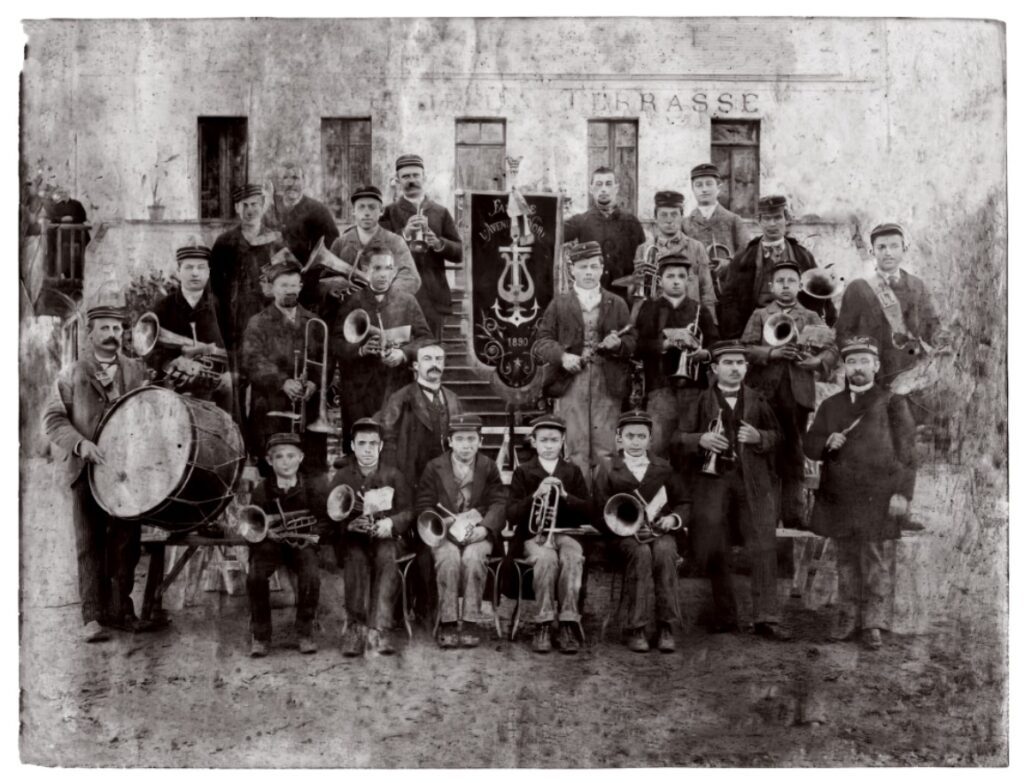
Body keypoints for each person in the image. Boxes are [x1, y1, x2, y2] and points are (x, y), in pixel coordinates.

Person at [42, 298, 148, 642]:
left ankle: (120, 610)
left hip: (124, 474)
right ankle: (91, 617)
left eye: (117, 329)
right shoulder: (70, 374)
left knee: (126, 543)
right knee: (89, 543)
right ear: (89, 333)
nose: (112, 335)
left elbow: (146, 412)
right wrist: (80, 443)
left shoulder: (135, 370)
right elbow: (53, 419)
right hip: (85, 471)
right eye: (104, 328)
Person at [804, 336, 917, 650]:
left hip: (878, 496)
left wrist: (903, 494)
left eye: (864, 361)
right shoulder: (831, 405)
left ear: (876, 365)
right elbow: (810, 446)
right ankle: (847, 618)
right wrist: (827, 442)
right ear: (844, 367)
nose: (857, 367)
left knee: (874, 559)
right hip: (840, 494)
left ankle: (872, 624)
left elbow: (908, 454)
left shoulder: (893, 402)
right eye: (851, 361)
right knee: (845, 560)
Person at [677, 341, 787, 640]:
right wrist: (700, 439)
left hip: (752, 482)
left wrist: (759, 436)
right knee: (716, 545)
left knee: (763, 544)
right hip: (712, 483)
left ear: (747, 368)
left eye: (740, 363)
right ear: (714, 368)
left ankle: (767, 617)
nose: (735, 368)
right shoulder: (700, 400)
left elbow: (780, 437)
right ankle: (726, 615)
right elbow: (678, 438)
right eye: (728, 363)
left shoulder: (760, 400)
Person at [740, 260, 839, 528]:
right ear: (771, 286)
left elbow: (832, 349)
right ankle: (765, 516)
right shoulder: (760, 315)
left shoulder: (810, 316)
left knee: (793, 453)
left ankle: (794, 515)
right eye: (780, 281)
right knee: (764, 452)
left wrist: (816, 363)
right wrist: (772, 353)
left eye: (791, 281)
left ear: (799, 286)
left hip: (796, 395)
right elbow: (745, 349)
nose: (786, 286)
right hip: (764, 394)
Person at [535, 241, 636, 486]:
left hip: (607, 383)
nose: (589, 272)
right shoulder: (560, 303)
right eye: (582, 267)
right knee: (575, 447)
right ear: (572, 270)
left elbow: (632, 340)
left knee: (605, 449)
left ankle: (602, 509)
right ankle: (577, 506)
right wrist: (562, 356)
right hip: (570, 383)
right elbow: (541, 341)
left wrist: (619, 345)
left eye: (593, 266)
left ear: (602, 268)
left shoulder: (617, 303)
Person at [377, 342, 464, 618]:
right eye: (427, 358)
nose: (434, 363)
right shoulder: (401, 398)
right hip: (407, 483)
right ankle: (401, 614)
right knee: (409, 544)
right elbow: (387, 441)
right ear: (415, 366)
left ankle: (431, 613)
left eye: (439, 358)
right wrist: (394, 484)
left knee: (435, 543)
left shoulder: (452, 398)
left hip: (440, 487)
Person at [593, 410, 690, 653]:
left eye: (641, 436)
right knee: (641, 554)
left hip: (659, 531)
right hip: (623, 538)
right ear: (619, 439)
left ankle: (667, 626)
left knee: (666, 551)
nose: (635, 441)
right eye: (629, 436)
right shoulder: (607, 469)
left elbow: (684, 502)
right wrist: (622, 528)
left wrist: (673, 519)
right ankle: (635, 627)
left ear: (650, 440)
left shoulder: (664, 468)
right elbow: (597, 509)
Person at [415, 414, 507, 649]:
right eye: (460, 439)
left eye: (471, 439)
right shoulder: (434, 467)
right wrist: (442, 522)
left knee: (474, 558)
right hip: (445, 535)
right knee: (449, 559)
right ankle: (447, 621)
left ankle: (470, 621)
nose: (466, 444)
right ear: (450, 441)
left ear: (480, 440)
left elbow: (499, 502)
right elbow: (423, 504)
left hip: (477, 533)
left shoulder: (488, 466)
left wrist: (485, 529)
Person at [505, 414, 592, 654]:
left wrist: (565, 496)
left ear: (563, 440)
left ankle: (567, 622)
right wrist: (535, 495)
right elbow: (511, 514)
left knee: (573, 557)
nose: (549, 445)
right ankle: (543, 623)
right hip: (534, 536)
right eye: (543, 440)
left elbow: (588, 511)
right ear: (533, 442)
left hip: (566, 534)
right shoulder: (523, 472)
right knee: (546, 559)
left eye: (554, 440)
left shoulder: (572, 472)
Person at [332, 242, 431, 449]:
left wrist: (403, 354)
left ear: (394, 270)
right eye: (377, 268)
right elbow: (335, 344)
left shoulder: (408, 301)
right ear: (366, 270)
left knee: (396, 448)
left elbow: (426, 340)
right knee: (358, 449)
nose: (383, 274)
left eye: (388, 268)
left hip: (396, 386)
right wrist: (360, 350)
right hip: (359, 393)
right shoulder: (351, 302)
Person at [327, 418, 413, 657]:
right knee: (355, 559)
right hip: (355, 540)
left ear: (381, 447)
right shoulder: (342, 476)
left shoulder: (394, 475)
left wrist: (391, 523)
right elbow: (332, 516)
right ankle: (356, 627)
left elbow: (408, 511)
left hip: (386, 538)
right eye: (362, 443)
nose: (367, 449)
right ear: (352, 446)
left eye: (373, 444)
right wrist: (348, 525)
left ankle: (381, 628)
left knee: (387, 558)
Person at [240, 259, 326, 474]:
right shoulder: (258, 322)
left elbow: (325, 360)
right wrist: (282, 382)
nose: (289, 290)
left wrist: (314, 384)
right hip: (271, 406)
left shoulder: (314, 322)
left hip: (308, 409)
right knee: (271, 470)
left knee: (311, 470)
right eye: (283, 285)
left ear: (301, 286)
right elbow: (252, 360)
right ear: (272, 288)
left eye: (293, 285)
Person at [246, 432, 326, 657]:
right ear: (270, 461)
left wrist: (314, 533)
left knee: (311, 575)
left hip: (301, 543)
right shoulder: (262, 490)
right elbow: (251, 526)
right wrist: (266, 535)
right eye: (279, 457)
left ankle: (305, 631)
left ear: (301, 457)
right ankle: (260, 636)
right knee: (255, 576)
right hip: (270, 544)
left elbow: (323, 521)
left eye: (291, 456)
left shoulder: (311, 488)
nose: (286, 462)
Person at [633, 251, 719, 460]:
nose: (676, 282)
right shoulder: (649, 308)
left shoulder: (700, 311)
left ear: (689, 280)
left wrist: (704, 353)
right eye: (670, 276)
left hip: (693, 389)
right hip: (660, 388)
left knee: (689, 447)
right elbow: (638, 346)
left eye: (681, 276)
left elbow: (716, 344)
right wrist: (665, 343)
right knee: (658, 446)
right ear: (660, 281)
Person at [835, 223, 941, 389]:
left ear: (904, 250)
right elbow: (843, 334)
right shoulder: (857, 288)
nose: (888, 252)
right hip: (871, 374)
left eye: (894, 246)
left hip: (910, 371)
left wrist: (942, 339)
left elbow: (931, 327)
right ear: (872, 252)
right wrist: (859, 363)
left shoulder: (916, 285)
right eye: (881, 247)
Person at [718, 195, 836, 339]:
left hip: (797, 329)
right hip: (756, 329)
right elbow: (730, 302)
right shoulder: (743, 258)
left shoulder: (803, 256)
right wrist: (736, 339)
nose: (772, 224)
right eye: (766, 219)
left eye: (777, 217)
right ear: (759, 221)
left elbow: (819, 298)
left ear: (786, 219)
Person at [379, 155, 462, 338]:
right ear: (398, 180)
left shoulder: (440, 212)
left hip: (433, 297)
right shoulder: (388, 212)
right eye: (406, 176)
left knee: (431, 353)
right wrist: (405, 234)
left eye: (416, 175)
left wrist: (438, 243)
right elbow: (378, 252)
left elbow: (459, 253)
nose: (412, 180)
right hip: (398, 296)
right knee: (399, 352)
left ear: (424, 177)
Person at [145, 244, 231, 408]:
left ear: (208, 272)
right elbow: (149, 352)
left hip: (216, 388)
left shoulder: (224, 308)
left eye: (201, 267)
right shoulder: (162, 307)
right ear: (178, 271)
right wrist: (172, 363)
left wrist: (224, 372)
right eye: (189, 267)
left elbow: (236, 348)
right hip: (173, 386)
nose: (195, 273)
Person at [209, 183, 283, 354]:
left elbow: (287, 282)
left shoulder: (275, 241)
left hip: (265, 316)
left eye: (254, 204)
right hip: (232, 320)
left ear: (262, 205)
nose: (250, 210)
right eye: (245, 205)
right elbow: (214, 288)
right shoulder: (224, 243)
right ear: (237, 208)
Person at [564, 166, 646, 301]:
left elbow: (642, 260)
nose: (603, 189)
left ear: (616, 188)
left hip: (624, 299)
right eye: (598, 184)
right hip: (591, 298)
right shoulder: (581, 221)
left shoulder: (632, 223)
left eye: (608, 184)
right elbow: (552, 234)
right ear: (591, 189)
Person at [329, 184, 420, 304]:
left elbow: (410, 278)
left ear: (381, 211)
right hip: (346, 310)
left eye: (372, 207)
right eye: (361, 207)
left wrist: (385, 295)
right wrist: (334, 284)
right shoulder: (340, 243)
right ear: (353, 212)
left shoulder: (395, 242)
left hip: (384, 309)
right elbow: (325, 278)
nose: (366, 213)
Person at [634, 190, 717, 319]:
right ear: (655, 218)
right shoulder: (643, 250)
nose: (669, 220)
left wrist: (711, 325)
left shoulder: (696, 248)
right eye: (663, 215)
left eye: (674, 215)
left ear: (681, 217)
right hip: (655, 320)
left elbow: (707, 292)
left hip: (689, 319)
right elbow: (637, 295)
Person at [682, 163, 752, 288]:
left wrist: (729, 264)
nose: (704, 189)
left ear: (718, 187)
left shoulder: (734, 220)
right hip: (695, 290)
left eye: (709, 184)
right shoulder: (685, 224)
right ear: (693, 189)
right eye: (698, 185)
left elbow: (748, 255)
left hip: (727, 289)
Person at [264, 160, 340, 267]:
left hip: (309, 276)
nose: (291, 184)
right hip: (276, 276)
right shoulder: (271, 211)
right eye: (285, 178)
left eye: (295, 178)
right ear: (279, 183)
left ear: (304, 181)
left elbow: (332, 249)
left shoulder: (319, 211)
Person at [42, 185, 90, 277]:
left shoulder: (77, 204)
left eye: (65, 192)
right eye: (61, 193)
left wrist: (72, 218)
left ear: (68, 193)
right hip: (63, 235)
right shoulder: (57, 206)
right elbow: (53, 219)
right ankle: (59, 273)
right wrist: (62, 219)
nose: (63, 194)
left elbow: (83, 217)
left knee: (82, 248)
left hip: (76, 234)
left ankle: (79, 273)